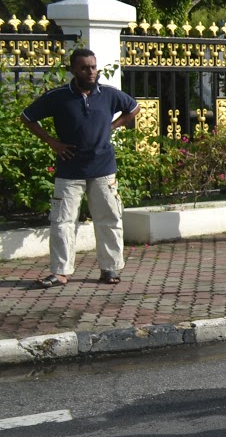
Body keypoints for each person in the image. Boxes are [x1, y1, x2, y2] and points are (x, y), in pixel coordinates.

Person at [20, 47, 140, 288]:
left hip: (103, 168)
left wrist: (113, 126)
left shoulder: (108, 94)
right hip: (69, 171)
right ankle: (61, 272)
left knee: (109, 218)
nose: (91, 71)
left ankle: (110, 269)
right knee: (62, 221)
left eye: (93, 66)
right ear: (73, 69)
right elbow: (27, 117)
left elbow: (133, 108)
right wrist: (53, 143)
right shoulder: (59, 96)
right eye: (85, 67)